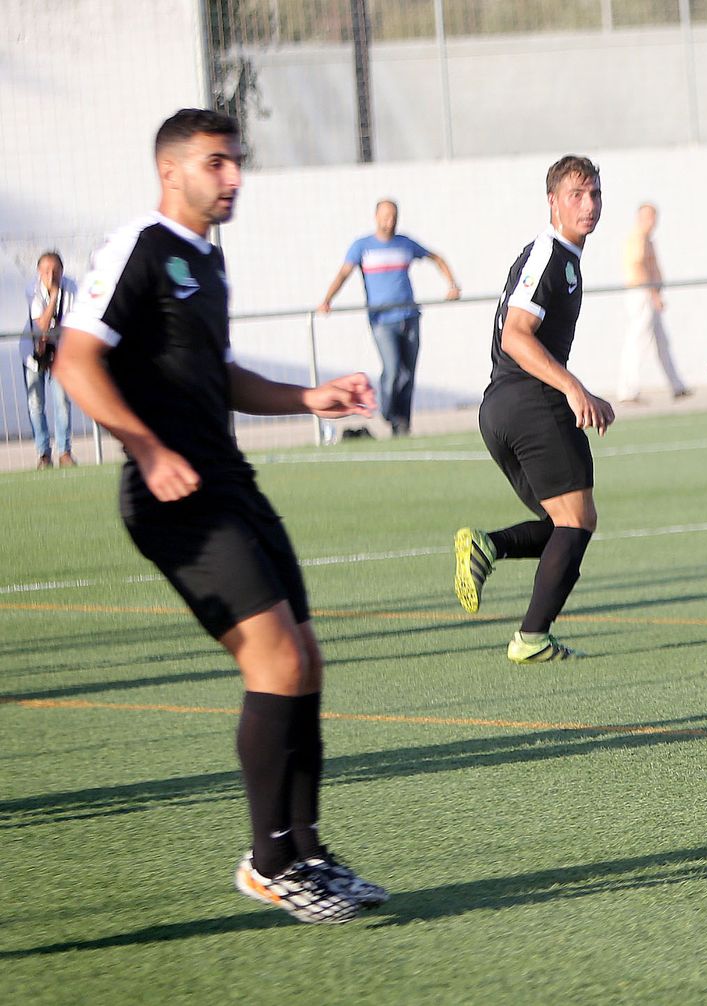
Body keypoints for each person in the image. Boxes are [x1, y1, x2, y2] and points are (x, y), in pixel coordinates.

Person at [55, 108, 387, 924]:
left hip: (228, 480)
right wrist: (143, 448)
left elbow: (220, 373)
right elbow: (73, 357)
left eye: (237, 162)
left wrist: (307, 397)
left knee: (304, 657)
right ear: (172, 171)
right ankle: (270, 861)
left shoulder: (207, 258)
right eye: (216, 163)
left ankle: (306, 852)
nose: (234, 177)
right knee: (273, 660)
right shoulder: (143, 245)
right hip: (172, 496)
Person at [453, 156, 612, 664]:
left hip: (502, 406)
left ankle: (487, 546)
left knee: (564, 522)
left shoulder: (563, 257)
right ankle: (531, 638)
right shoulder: (548, 252)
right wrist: (573, 388)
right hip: (527, 400)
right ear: (552, 202)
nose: (588, 205)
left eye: (594, 194)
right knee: (576, 519)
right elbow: (515, 335)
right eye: (576, 195)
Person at [317, 198, 461, 436]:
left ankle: (402, 424)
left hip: (409, 316)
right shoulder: (363, 246)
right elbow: (344, 273)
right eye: (385, 216)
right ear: (376, 217)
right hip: (382, 320)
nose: (390, 221)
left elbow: (436, 258)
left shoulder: (404, 244)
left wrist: (452, 284)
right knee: (393, 369)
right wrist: (327, 299)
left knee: (409, 372)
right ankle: (388, 410)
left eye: (393, 216)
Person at [616, 202, 690, 403]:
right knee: (637, 341)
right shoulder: (637, 238)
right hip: (641, 294)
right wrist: (653, 294)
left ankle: (677, 385)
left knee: (662, 342)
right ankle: (628, 390)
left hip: (648, 293)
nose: (653, 222)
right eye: (649, 217)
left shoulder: (648, 239)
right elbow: (638, 266)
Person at [22, 251, 78, 468]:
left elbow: (72, 322)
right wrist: (53, 296)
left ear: (62, 271)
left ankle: (65, 451)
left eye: (55, 270)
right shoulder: (32, 289)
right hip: (33, 353)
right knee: (36, 403)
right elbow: (42, 325)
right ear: (38, 272)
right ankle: (43, 453)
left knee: (62, 401)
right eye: (46, 271)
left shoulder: (72, 287)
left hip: (61, 351)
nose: (51, 275)